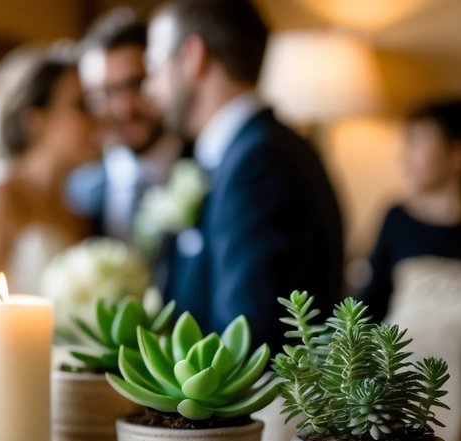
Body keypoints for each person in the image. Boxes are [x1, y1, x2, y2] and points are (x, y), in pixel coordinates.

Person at [145, 0, 343, 350]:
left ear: (193, 56)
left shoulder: (260, 163)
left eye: (155, 63)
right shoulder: (252, 149)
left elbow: (247, 336)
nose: (151, 87)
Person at [0, 47, 98, 321]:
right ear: (34, 119)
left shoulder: (77, 211)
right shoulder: (2, 196)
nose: (95, 119)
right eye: (80, 105)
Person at [69, 8, 185, 243]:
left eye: (136, 84)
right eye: (107, 93)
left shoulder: (209, 172)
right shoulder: (80, 193)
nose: (124, 109)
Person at [362, 99, 461, 322]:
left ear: (456, 152)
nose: (405, 156)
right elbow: (371, 305)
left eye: (418, 142)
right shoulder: (398, 219)